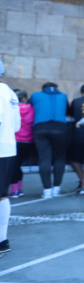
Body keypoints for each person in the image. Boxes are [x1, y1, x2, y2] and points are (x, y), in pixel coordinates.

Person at [30, 81, 69, 199]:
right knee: (60, 157)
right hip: (60, 128)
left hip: (40, 127)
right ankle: (56, 188)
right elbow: (67, 111)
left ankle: (47, 189)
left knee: (44, 158)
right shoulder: (63, 96)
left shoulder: (35, 95)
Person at [0, 60, 21, 255]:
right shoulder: (9, 92)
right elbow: (16, 126)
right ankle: (2, 239)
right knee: (2, 194)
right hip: (7, 148)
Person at [9, 90, 34, 198]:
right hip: (27, 141)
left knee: (14, 165)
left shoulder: (12, 108)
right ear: (24, 98)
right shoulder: (31, 108)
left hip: (14, 140)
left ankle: (14, 190)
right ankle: (19, 189)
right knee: (18, 165)